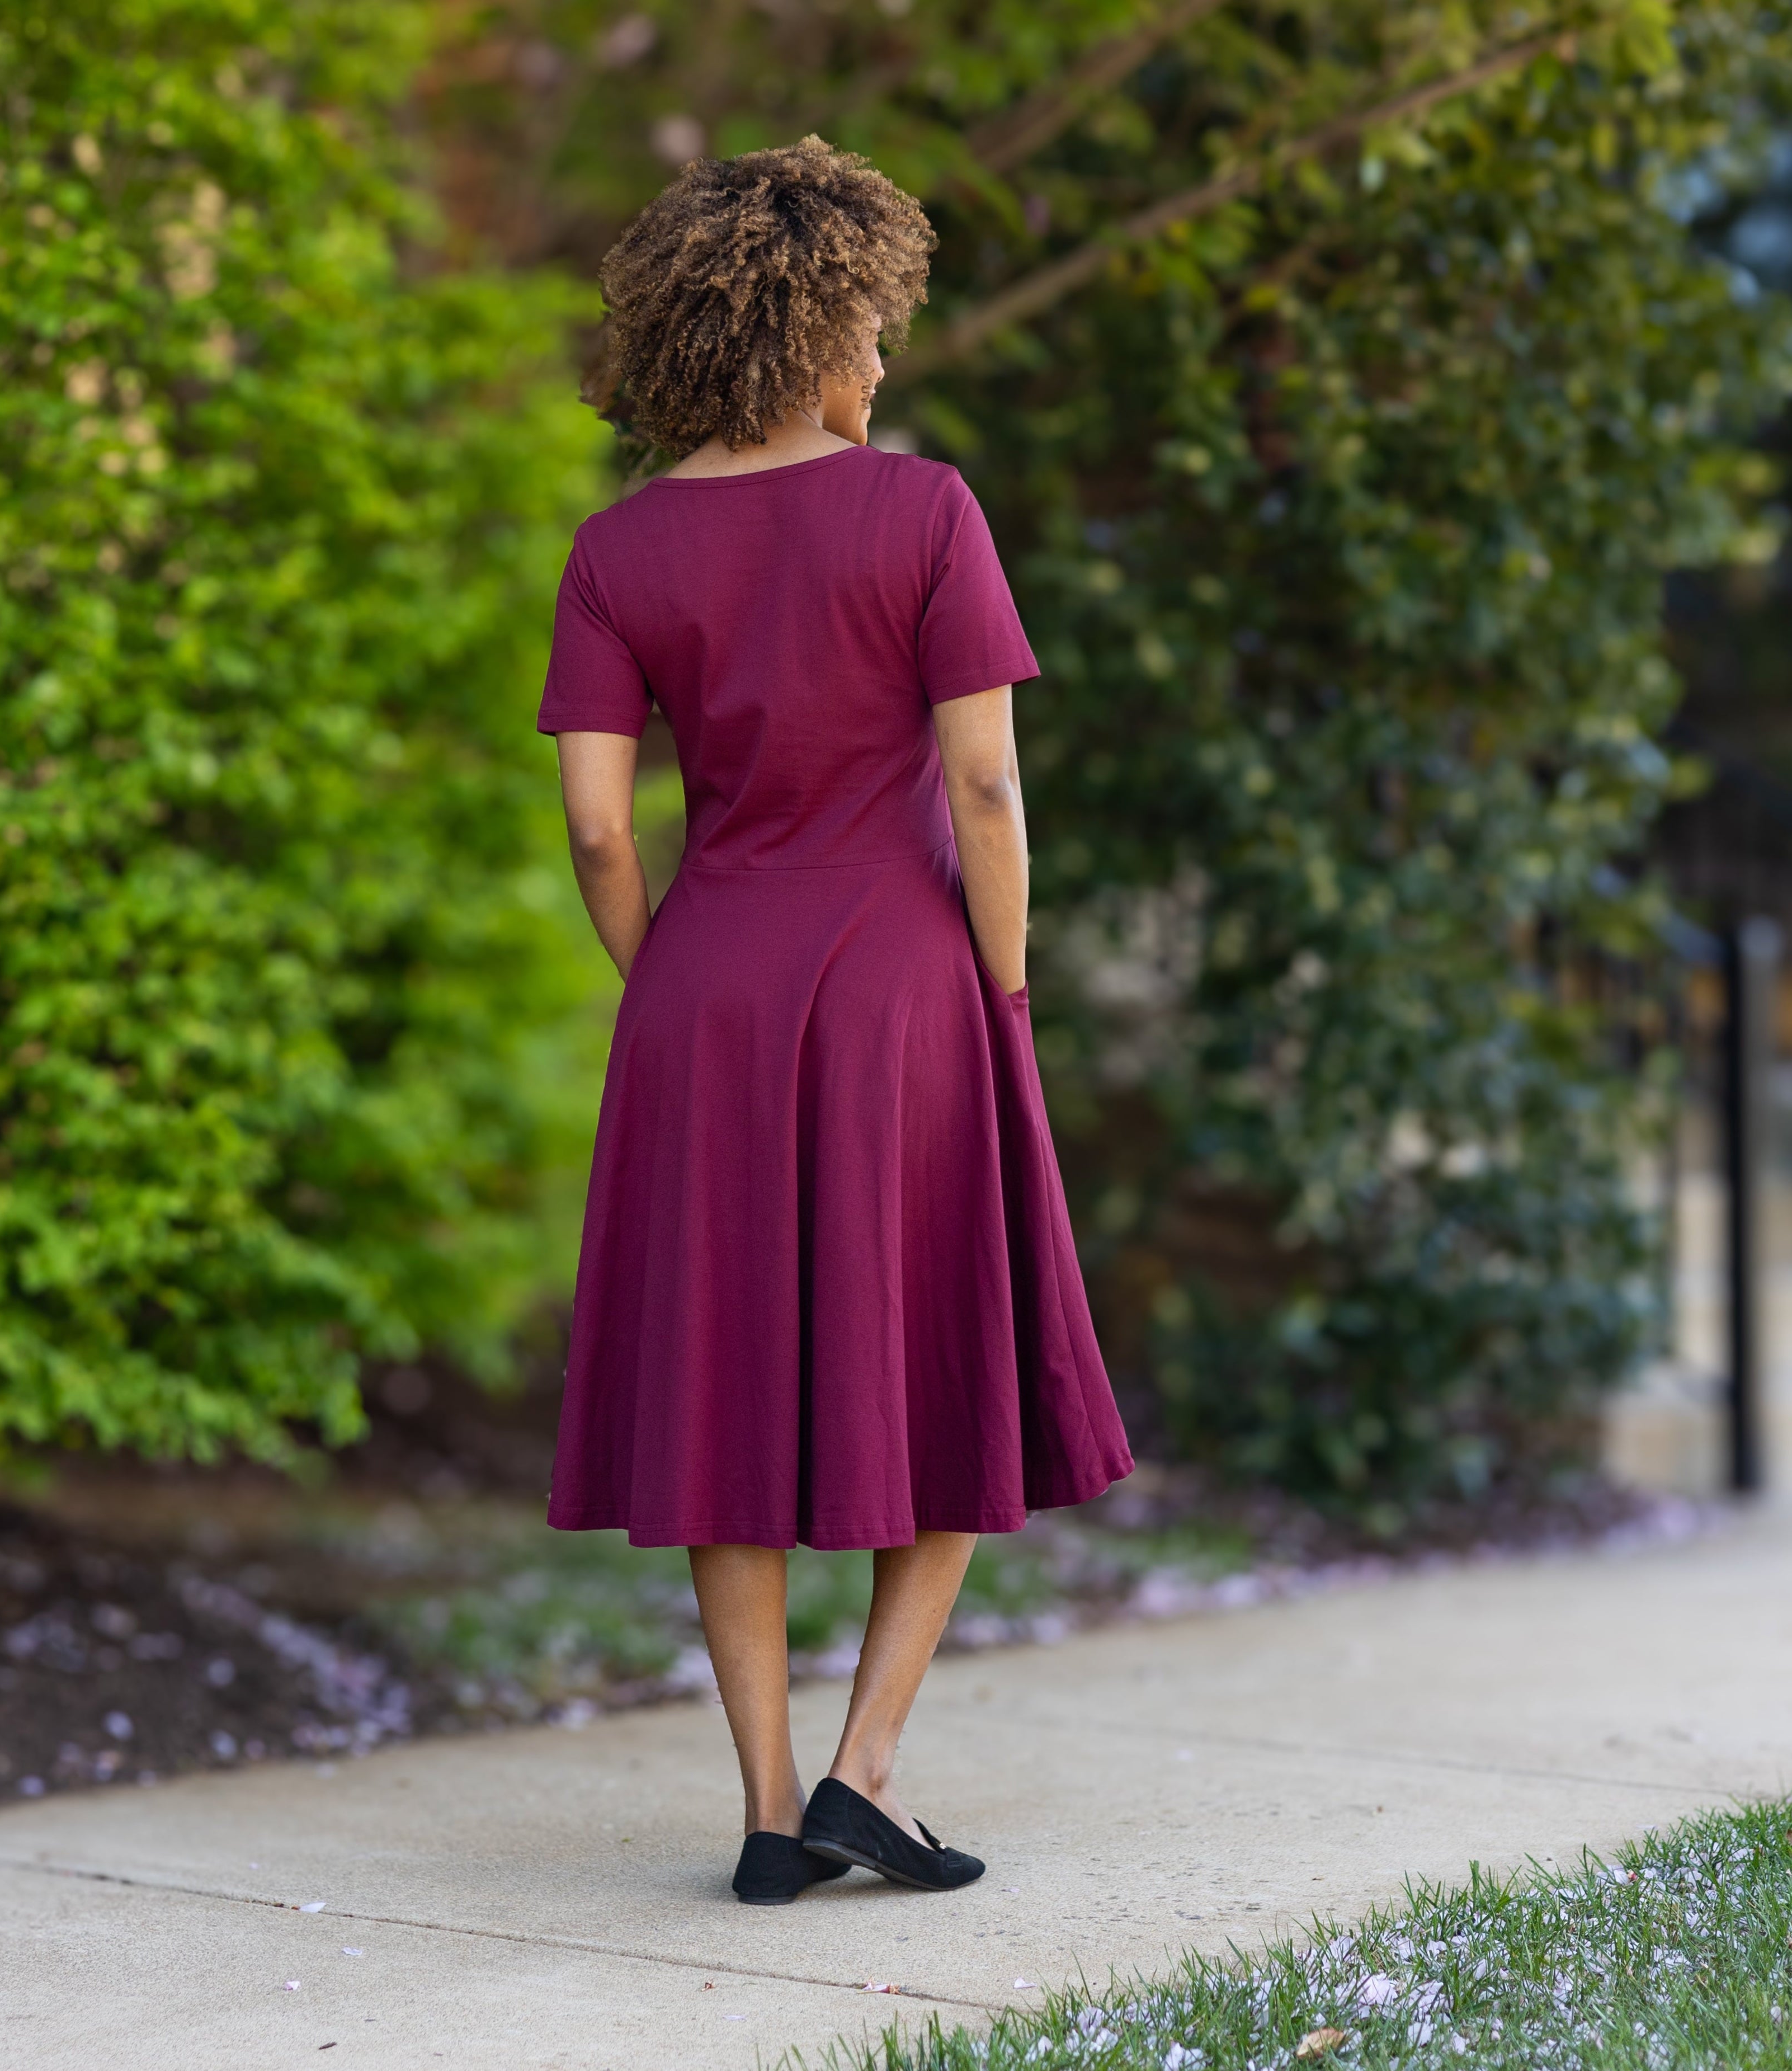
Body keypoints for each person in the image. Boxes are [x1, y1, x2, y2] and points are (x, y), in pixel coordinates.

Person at [538, 135, 1131, 1906]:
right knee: (951, 1349)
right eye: (869, 328)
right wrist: (1007, 983)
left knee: (726, 1390)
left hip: (705, 991)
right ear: (808, 333)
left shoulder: (619, 547)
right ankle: (869, 1767)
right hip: (906, 990)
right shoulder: (925, 511)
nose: (882, 364)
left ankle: (773, 1807)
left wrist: (675, 985)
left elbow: (593, 821)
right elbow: (990, 792)